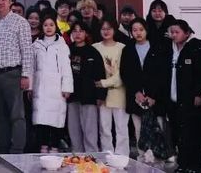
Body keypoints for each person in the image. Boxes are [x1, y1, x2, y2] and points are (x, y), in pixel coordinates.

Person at [0, 0, 33, 158]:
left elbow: (27, 50)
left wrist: (25, 75)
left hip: (13, 74)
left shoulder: (20, 22)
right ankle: (3, 149)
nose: (0, 2)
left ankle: (17, 150)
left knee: (17, 115)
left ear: (10, 2)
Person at [120, 17, 171, 162]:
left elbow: (163, 74)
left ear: (146, 30)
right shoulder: (128, 49)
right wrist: (136, 92)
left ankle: (158, 160)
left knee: (158, 129)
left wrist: (153, 96)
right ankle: (142, 160)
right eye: (134, 30)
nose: (138, 33)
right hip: (136, 97)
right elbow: (125, 73)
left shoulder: (157, 47)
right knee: (139, 130)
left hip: (155, 98)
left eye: (141, 29)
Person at [29, 13, 73, 154]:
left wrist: (67, 87)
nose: (48, 28)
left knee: (56, 119)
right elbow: (31, 68)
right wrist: (30, 87)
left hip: (57, 89)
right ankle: (43, 146)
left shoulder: (62, 45)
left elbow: (66, 68)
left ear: (56, 26)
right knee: (41, 119)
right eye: (45, 25)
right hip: (40, 88)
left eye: (51, 25)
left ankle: (54, 146)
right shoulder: (36, 45)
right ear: (42, 27)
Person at [167, 20, 201, 173]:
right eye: (172, 32)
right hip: (174, 100)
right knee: (178, 135)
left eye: (177, 32)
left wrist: (199, 93)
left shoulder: (195, 47)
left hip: (190, 99)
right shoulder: (170, 48)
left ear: (187, 33)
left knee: (193, 134)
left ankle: (195, 167)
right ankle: (182, 165)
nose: (174, 35)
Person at [66, 22, 105, 153]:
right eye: (75, 31)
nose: (77, 34)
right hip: (71, 95)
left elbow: (100, 74)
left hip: (89, 96)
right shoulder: (67, 50)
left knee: (90, 130)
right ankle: (76, 156)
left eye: (81, 31)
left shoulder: (93, 52)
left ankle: (91, 156)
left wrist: (100, 95)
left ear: (86, 33)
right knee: (74, 130)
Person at [93, 17, 129, 156]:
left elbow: (122, 74)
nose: (106, 31)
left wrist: (103, 83)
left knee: (121, 128)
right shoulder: (95, 47)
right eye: (103, 29)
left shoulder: (122, 47)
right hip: (102, 96)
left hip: (119, 93)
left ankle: (122, 157)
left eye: (109, 28)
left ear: (114, 30)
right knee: (104, 128)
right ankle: (107, 156)